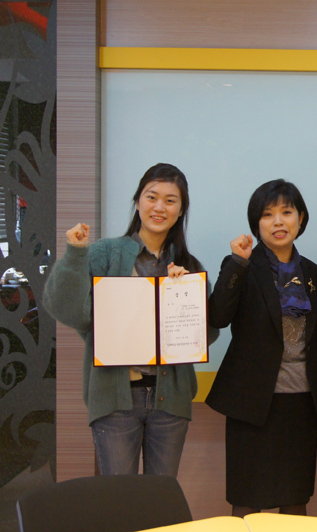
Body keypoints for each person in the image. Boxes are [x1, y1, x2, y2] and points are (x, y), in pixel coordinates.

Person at [43, 162, 218, 476]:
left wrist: (184, 296)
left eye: (170, 200)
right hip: (115, 400)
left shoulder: (188, 265)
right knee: (119, 495)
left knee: (160, 494)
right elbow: (69, 310)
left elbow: (207, 334)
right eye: (152, 197)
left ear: (181, 210)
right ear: (138, 201)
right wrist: (75, 254)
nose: (159, 207)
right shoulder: (105, 253)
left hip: (170, 401)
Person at [205, 180, 317, 517]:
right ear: (256, 223)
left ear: (300, 218)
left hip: (302, 402)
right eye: (267, 214)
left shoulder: (313, 273)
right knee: (248, 499)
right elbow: (217, 317)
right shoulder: (242, 265)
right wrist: (237, 263)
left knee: (295, 499)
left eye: (286, 212)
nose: (278, 221)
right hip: (252, 403)